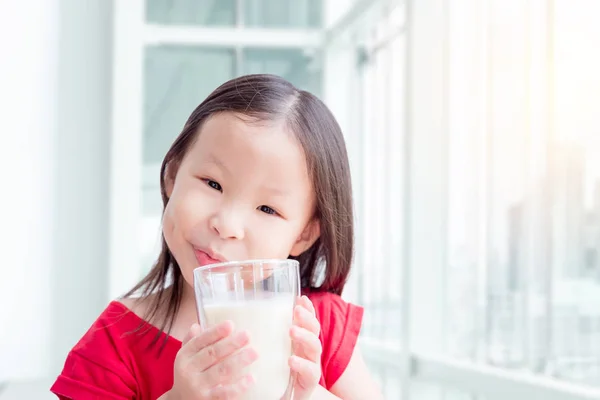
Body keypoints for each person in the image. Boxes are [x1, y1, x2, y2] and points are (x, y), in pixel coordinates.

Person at [50, 74, 383, 399]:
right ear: (172, 176)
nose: (227, 224)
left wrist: (310, 396)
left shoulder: (316, 329)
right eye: (213, 184)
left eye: (267, 209)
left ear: (303, 235)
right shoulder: (115, 342)